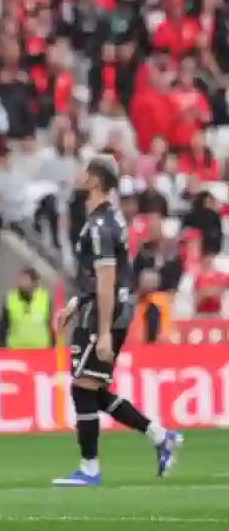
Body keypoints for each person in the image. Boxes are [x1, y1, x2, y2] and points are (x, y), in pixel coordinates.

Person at [52, 158, 183, 487]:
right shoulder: (105, 220)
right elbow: (96, 279)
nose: (78, 176)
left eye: (84, 172)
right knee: (94, 389)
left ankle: (90, 468)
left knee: (83, 387)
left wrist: (105, 332)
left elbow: (107, 279)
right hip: (99, 309)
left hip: (102, 314)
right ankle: (159, 435)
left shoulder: (99, 226)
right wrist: (73, 305)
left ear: (95, 181)